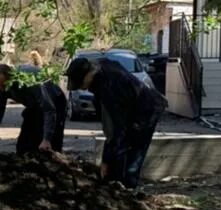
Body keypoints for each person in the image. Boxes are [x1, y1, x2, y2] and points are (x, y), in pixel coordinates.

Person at [66, 55, 167, 188]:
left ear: (87, 75)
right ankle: (115, 181)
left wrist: (106, 161)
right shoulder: (99, 67)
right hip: (131, 109)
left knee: (133, 152)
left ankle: (128, 190)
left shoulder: (111, 86)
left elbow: (117, 129)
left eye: (81, 83)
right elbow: (110, 125)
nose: (82, 88)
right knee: (119, 150)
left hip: (145, 112)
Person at [0, 64, 67, 155]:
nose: (2, 90)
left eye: (4, 86)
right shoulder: (0, 87)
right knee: (24, 146)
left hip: (55, 101)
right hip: (33, 105)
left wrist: (46, 139)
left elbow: (49, 110)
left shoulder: (30, 80)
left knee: (50, 146)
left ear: (11, 78)